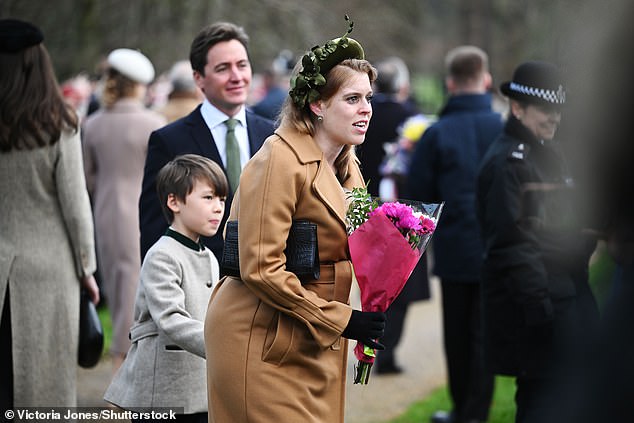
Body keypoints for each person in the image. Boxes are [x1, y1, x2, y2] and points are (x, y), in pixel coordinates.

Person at [204, 19, 386, 422]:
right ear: (318, 105)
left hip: (312, 338)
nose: (366, 109)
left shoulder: (347, 163)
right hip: (261, 336)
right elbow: (261, 268)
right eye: (352, 99)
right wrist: (344, 319)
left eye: (368, 98)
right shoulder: (277, 160)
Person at [475, 60, 599, 423]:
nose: (554, 119)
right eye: (546, 110)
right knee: (542, 402)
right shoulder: (507, 162)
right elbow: (511, 243)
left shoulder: (548, 153)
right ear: (518, 108)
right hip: (540, 304)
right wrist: (540, 308)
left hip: (565, 295)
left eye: (558, 110)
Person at [0, 18, 99, 409]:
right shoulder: (58, 125)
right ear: (37, 63)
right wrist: (87, 270)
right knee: (43, 388)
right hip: (48, 270)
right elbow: (76, 209)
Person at [408, 46, 503, 423]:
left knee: (458, 336)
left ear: (449, 83)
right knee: (484, 335)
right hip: (498, 247)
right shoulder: (503, 128)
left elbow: (419, 196)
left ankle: (465, 409)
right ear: (487, 80)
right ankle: (475, 413)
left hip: (454, 248)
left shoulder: (436, 133)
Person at [105, 154, 226, 423]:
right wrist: (223, 342)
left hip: (200, 387)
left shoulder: (208, 255)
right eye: (208, 198)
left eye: (222, 199)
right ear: (174, 202)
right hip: (163, 389)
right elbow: (171, 319)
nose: (218, 207)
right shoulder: (162, 255)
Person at [139, 22, 275, 262]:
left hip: (268, 282)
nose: (236, 77)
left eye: (242, 65)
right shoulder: (169, 141)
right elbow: (154, 229)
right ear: (199, 78)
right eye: (223, 68)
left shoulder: (272, 135)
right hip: (202, 286)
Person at [82, 48, 167, 373]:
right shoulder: (153, 123)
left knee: (118, 289)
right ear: (139, 84)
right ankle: (125, 367)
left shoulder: (92, 124)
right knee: (136, 289)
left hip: (105, 213)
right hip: (142, 215)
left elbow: (89, 178)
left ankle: (123, 366)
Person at [357, 56, 419, 198]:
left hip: (362, 186)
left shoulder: (362, 111)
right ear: (402, 85)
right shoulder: (411, 116)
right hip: (400, 194)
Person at [251, 49, 294, 121]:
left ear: (268, 78)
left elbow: (259, 108)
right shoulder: (283, 93)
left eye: (264, 78)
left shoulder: (270, 99)